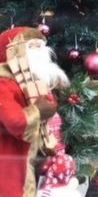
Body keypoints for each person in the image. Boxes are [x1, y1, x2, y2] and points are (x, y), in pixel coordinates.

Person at [0, 26, 61, 197]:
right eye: (32, 46)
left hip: (22, 159)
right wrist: (38, 110)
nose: (40, 51)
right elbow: (15, 121)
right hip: (8, 164)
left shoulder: (29, 82)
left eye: (41, 46)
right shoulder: (4, 84)